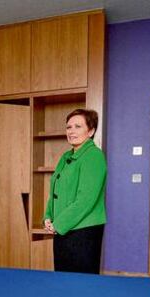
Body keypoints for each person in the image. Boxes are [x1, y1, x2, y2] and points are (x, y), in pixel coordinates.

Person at [42, 108, 107, 274]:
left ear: (91, 131)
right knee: (63, 279)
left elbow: (86, 200)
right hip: (63, 229)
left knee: (81, 284)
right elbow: (54, 191)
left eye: (77, 126)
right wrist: (48, 217)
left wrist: (58, 224)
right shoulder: (66, 156)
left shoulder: (94, 156)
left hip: (83, 232)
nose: (71, 131)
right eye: (68, 127)